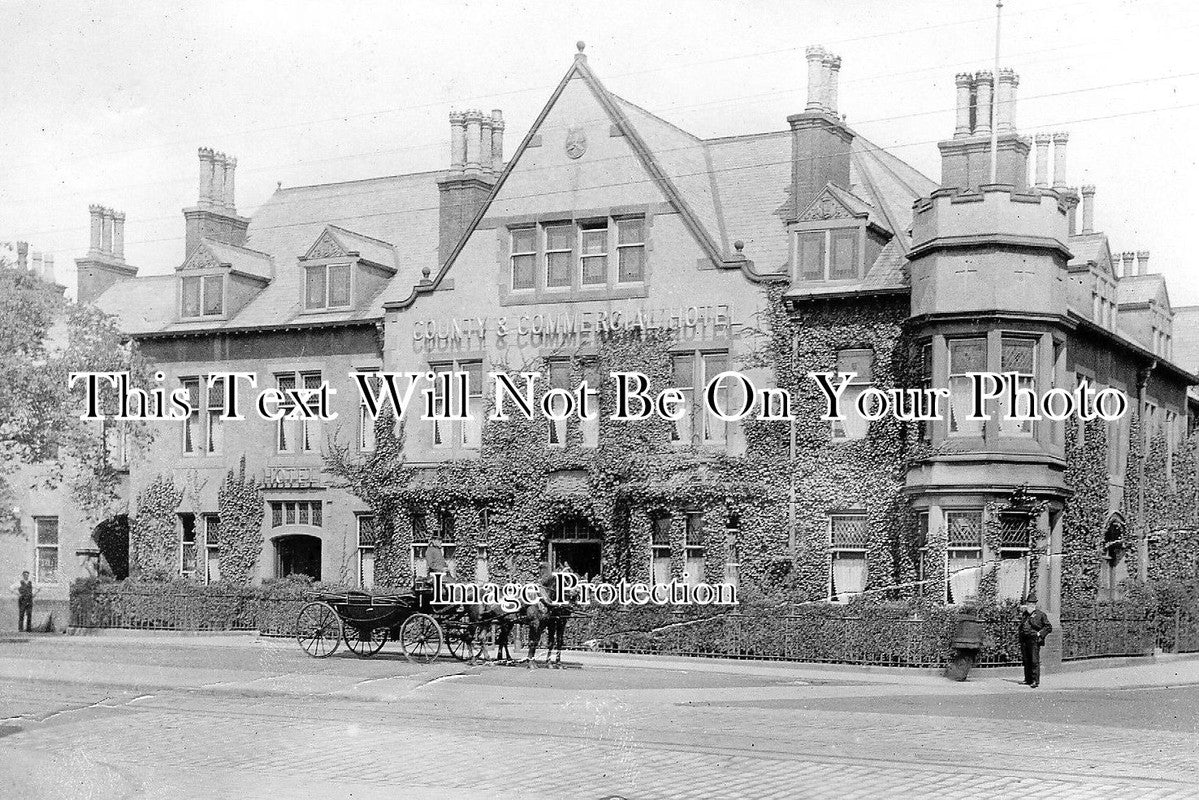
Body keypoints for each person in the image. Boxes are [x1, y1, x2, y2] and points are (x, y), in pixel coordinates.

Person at [1018, 599, 1053, 688]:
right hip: (1025, 639)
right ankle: (1028, 679)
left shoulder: (1041, 614)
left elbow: (1048, 627)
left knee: (1034, 660)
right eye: (1029, 603)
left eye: (1032, 603)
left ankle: (1035, 680)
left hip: (1034, 639)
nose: (1030, 605)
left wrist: (1039, 633)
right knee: (1026, 660)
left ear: (1035, 604)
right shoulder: (1025, 614)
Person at [947, 601, 983, 681]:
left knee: (962, 659)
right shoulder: (973, 622)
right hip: (971, 645)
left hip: (961, 644)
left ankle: (959, 675)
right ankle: (960, 675)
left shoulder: (962, 621)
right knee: (967, 660)